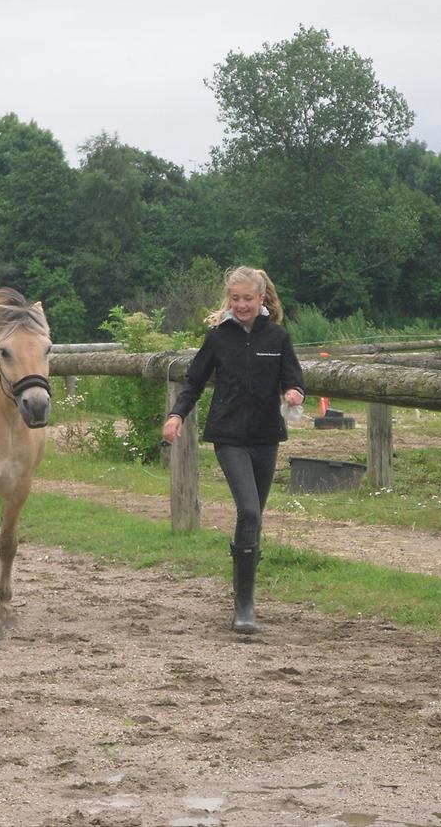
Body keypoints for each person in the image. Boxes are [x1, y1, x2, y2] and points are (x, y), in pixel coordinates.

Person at [161, 266, 305, 634]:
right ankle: (243, 609)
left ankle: (246, 597)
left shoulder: (277, 337)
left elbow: (293, 377)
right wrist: (176, 415)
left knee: (255, 518)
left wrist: (294, 393)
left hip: (266, 437)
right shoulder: (218, 338)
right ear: (229, 299)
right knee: (248, 510)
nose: (241, 305)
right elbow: (193, 383)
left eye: (247, 299)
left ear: (261, 298)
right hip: (229, 437)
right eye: (235, 299)